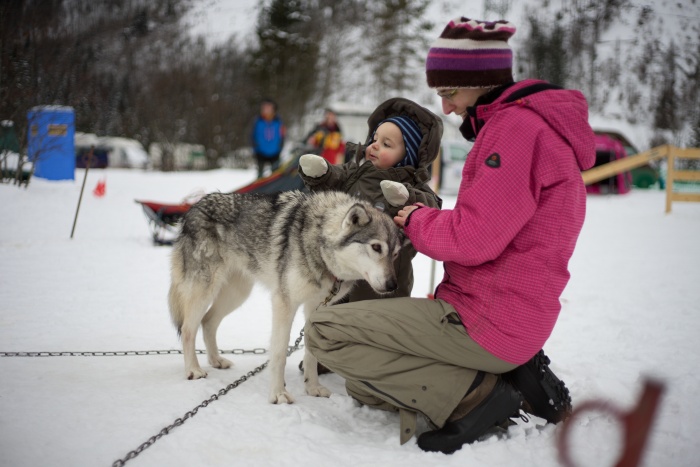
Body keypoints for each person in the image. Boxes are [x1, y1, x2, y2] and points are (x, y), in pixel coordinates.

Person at [304, 17, 596, 453]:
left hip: (485, 320)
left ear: (480, 81)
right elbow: (494, 224)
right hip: (512, 313)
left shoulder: (514, 132)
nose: (445, 108)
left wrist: (416, 219)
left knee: (325, 331)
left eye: (448, 93)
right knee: (365, 386)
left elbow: (474, 238)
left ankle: (477, 395)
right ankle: (503, 372)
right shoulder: (534, 129)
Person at [298, 97, 443, 302]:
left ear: (407, 155)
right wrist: (323, 174)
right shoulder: (356, 172)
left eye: (386, 144)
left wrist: (407, 197)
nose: (374, 146)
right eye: (374, 139)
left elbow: (431, 210)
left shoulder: (413, 187)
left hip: (382, 286)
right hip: (341, 270)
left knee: (369, 325)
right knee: (331, 319)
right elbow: (335, 181)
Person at [251, 98, 286, 178]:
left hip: (275, 153)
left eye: (268, 107)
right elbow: (252, 135)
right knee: (260, 176)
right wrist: (255, 147)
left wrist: (280, 147)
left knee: (276, 176)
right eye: (264, 108)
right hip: (260, 153)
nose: (265, 110)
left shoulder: (279, 121)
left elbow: (282, 135)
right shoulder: (257, 121)